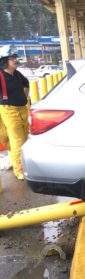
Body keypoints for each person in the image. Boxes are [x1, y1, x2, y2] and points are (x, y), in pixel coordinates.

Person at [0, 45, 29, 180]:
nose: (15, 61)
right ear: (4, 60)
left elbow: (26, 83)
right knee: (17, 140)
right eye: (12, 59)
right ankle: (19, 170)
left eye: (15, 58)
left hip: (22, 110)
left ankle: (17, 161)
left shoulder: (17, 74)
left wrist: (24, 97)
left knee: (23, 138)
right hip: (9, 111)